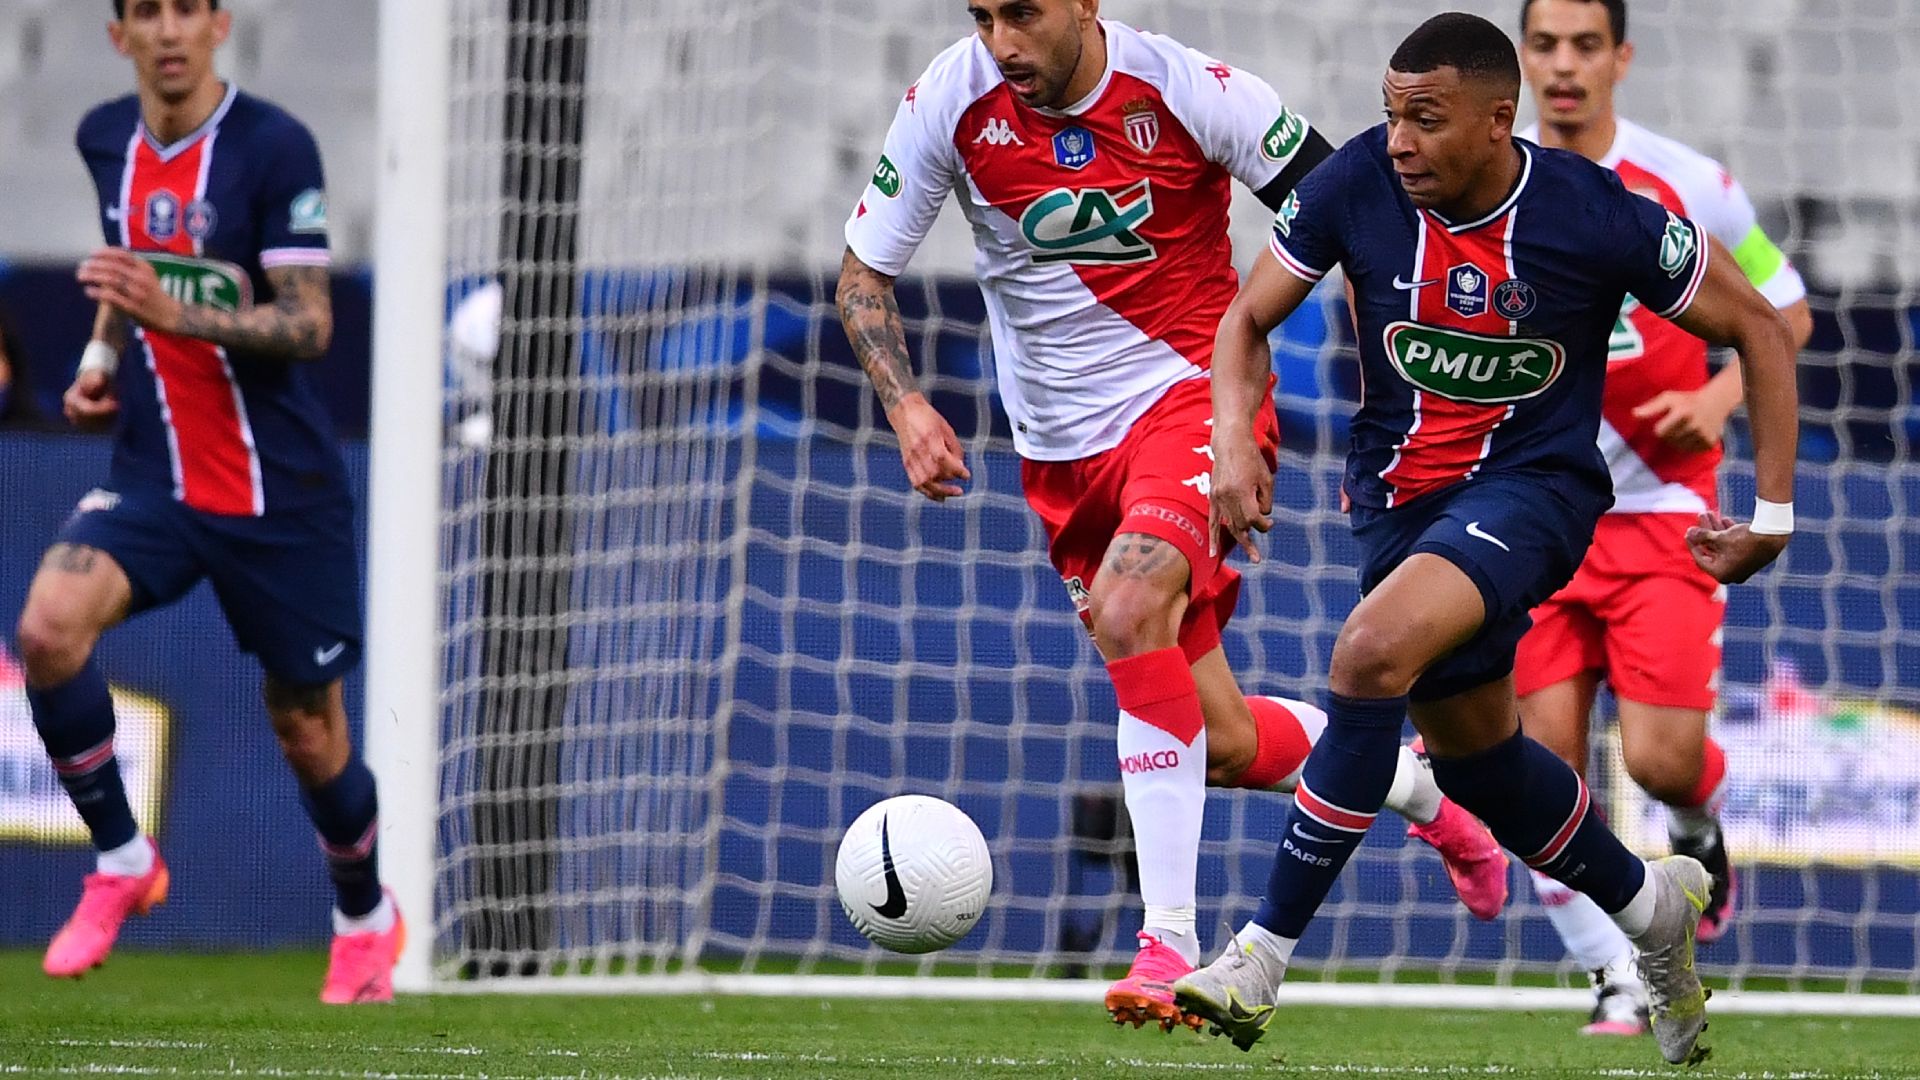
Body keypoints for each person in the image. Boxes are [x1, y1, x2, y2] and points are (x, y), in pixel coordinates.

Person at [837, 0, 1509, 1033]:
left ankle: (1166, 946)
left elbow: (1355, 213)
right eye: (982, 16)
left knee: (1129, 605)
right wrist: (907, 402)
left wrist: (1398, 405)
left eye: (1022, 14)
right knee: (1224, 741)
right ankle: (1425, 795)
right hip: (1060, 460)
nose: (1003, 42)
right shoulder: (948, 101)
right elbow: (863, 276)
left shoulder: (1188, 90)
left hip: (1194, 400)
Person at [1183, 12, 1799, 1067]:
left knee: (1368, 657)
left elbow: (1760, 324)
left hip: (1537, 493)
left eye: (1426, 118)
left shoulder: (1595, 211)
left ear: (1496, 120)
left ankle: (1259, 956)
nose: (1401, 140)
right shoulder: (1356, 186)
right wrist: (1232, 437)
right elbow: (1244, 321)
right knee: (1481, 765)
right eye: (1390, 116)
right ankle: (1654, 914)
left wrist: (1774, 515)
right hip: (1396, 508)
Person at [13, 0, 401, 1003]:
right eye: (148, 12)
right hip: (155, 471)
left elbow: (311, 326)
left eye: (189, 8)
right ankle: (121, 860)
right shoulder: (107, 139)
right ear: (120, 35)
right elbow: (124, 270)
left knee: (308, 732)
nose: (170, 29)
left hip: (279, 491)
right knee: (48, 631)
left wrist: (170, 311)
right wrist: (103, 356)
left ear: (221, 25)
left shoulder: (274, 147)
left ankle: (364, 914)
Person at [1512, 0, 1816, 1036]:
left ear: (1620, 58)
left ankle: (1697, 822)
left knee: (1657, 762)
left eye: (1584, 46)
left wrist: (1723, 396)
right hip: (1542, 513)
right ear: (1523, 58)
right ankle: (1614, 973)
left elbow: (1788, 309)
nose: (1564, 67)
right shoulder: (1493, 181)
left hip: (1665, 514)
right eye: (1545, 45)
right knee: (1534, 776)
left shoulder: (1688, 181)